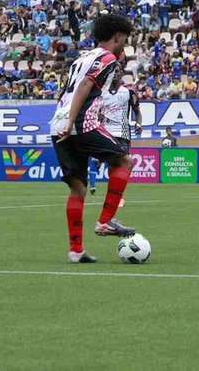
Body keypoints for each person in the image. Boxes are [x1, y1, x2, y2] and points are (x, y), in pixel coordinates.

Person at [49, 14, 136, 264]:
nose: (124, 45)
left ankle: (76, 251)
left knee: (78, 188)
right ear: (117, 36)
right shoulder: (107, 58)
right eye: (125, 39)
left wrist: (63, 121)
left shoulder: (81, 58)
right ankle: (106, 220)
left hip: (58, 124)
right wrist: (72, 120)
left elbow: (67, 89)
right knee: (123, 162)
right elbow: (86, 85)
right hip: (78, 122)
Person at [88, 70, 142, 196]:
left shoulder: (128, 93)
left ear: (121, 74)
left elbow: (137, 111)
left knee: (121, 165)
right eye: (112, 71)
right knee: (96, 160)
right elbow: (94, 111)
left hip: (122, 133)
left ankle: (117, 194)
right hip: (104, 132)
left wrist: (139, 123)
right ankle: (93, 185)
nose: (115, 74)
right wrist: (97, 116)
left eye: (118, 71)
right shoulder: (101, 93)